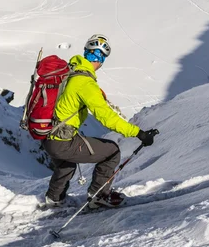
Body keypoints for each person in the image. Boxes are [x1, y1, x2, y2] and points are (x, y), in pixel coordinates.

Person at [43, 34, 157, 209]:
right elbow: (106, 117)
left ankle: (54, 198)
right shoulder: (85, 83)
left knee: (66, 163)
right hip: (62, 141)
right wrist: (139, 133)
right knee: (111, 151)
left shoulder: (69, 72)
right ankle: (99, 196)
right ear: (100, 58)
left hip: (49, 137)